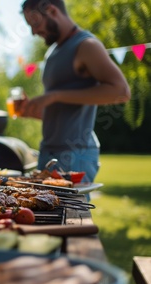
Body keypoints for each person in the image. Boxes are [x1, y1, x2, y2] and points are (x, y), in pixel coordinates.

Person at [19, 0, 131, 184]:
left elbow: (121, 91)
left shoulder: (86, 45)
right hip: (48, 151)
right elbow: (64, 111)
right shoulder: (53, 52)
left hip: (74, 154)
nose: (34, 32)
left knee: (71, 212)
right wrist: (35, 110)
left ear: (52, 11)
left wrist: (54, 96)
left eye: (35, 23)